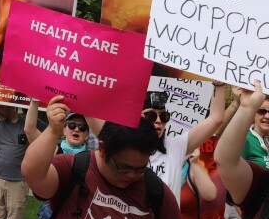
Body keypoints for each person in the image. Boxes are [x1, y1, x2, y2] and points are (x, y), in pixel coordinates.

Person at [22, 95, 183, 219]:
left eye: (141, 169)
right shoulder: (73, 168)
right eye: (124, 168)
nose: (132, 175)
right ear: (103, 149)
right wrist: (52, 131)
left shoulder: (158, 193)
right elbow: (34, 175)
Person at [90, 84, 225, 205]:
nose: (158, 121)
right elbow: (88, 109)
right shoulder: (119, 143)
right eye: (151, 116)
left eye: (164, 116)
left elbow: (216, 119)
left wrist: (219, 85)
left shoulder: (176, 147)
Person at [24, 99, 89, 219]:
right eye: (72, 125)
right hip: (51, 211)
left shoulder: (92, 157)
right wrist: (34, 101)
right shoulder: (53, 149)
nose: (76, 129)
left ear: (87, 134)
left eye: (82, 127)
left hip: (78, 211)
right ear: (64, 129)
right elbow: (29, 130)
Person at [216, 80, 269, 219]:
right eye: (261, 111)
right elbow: (226, 160)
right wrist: (245, 107)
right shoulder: (245, 139)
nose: (267, 116)